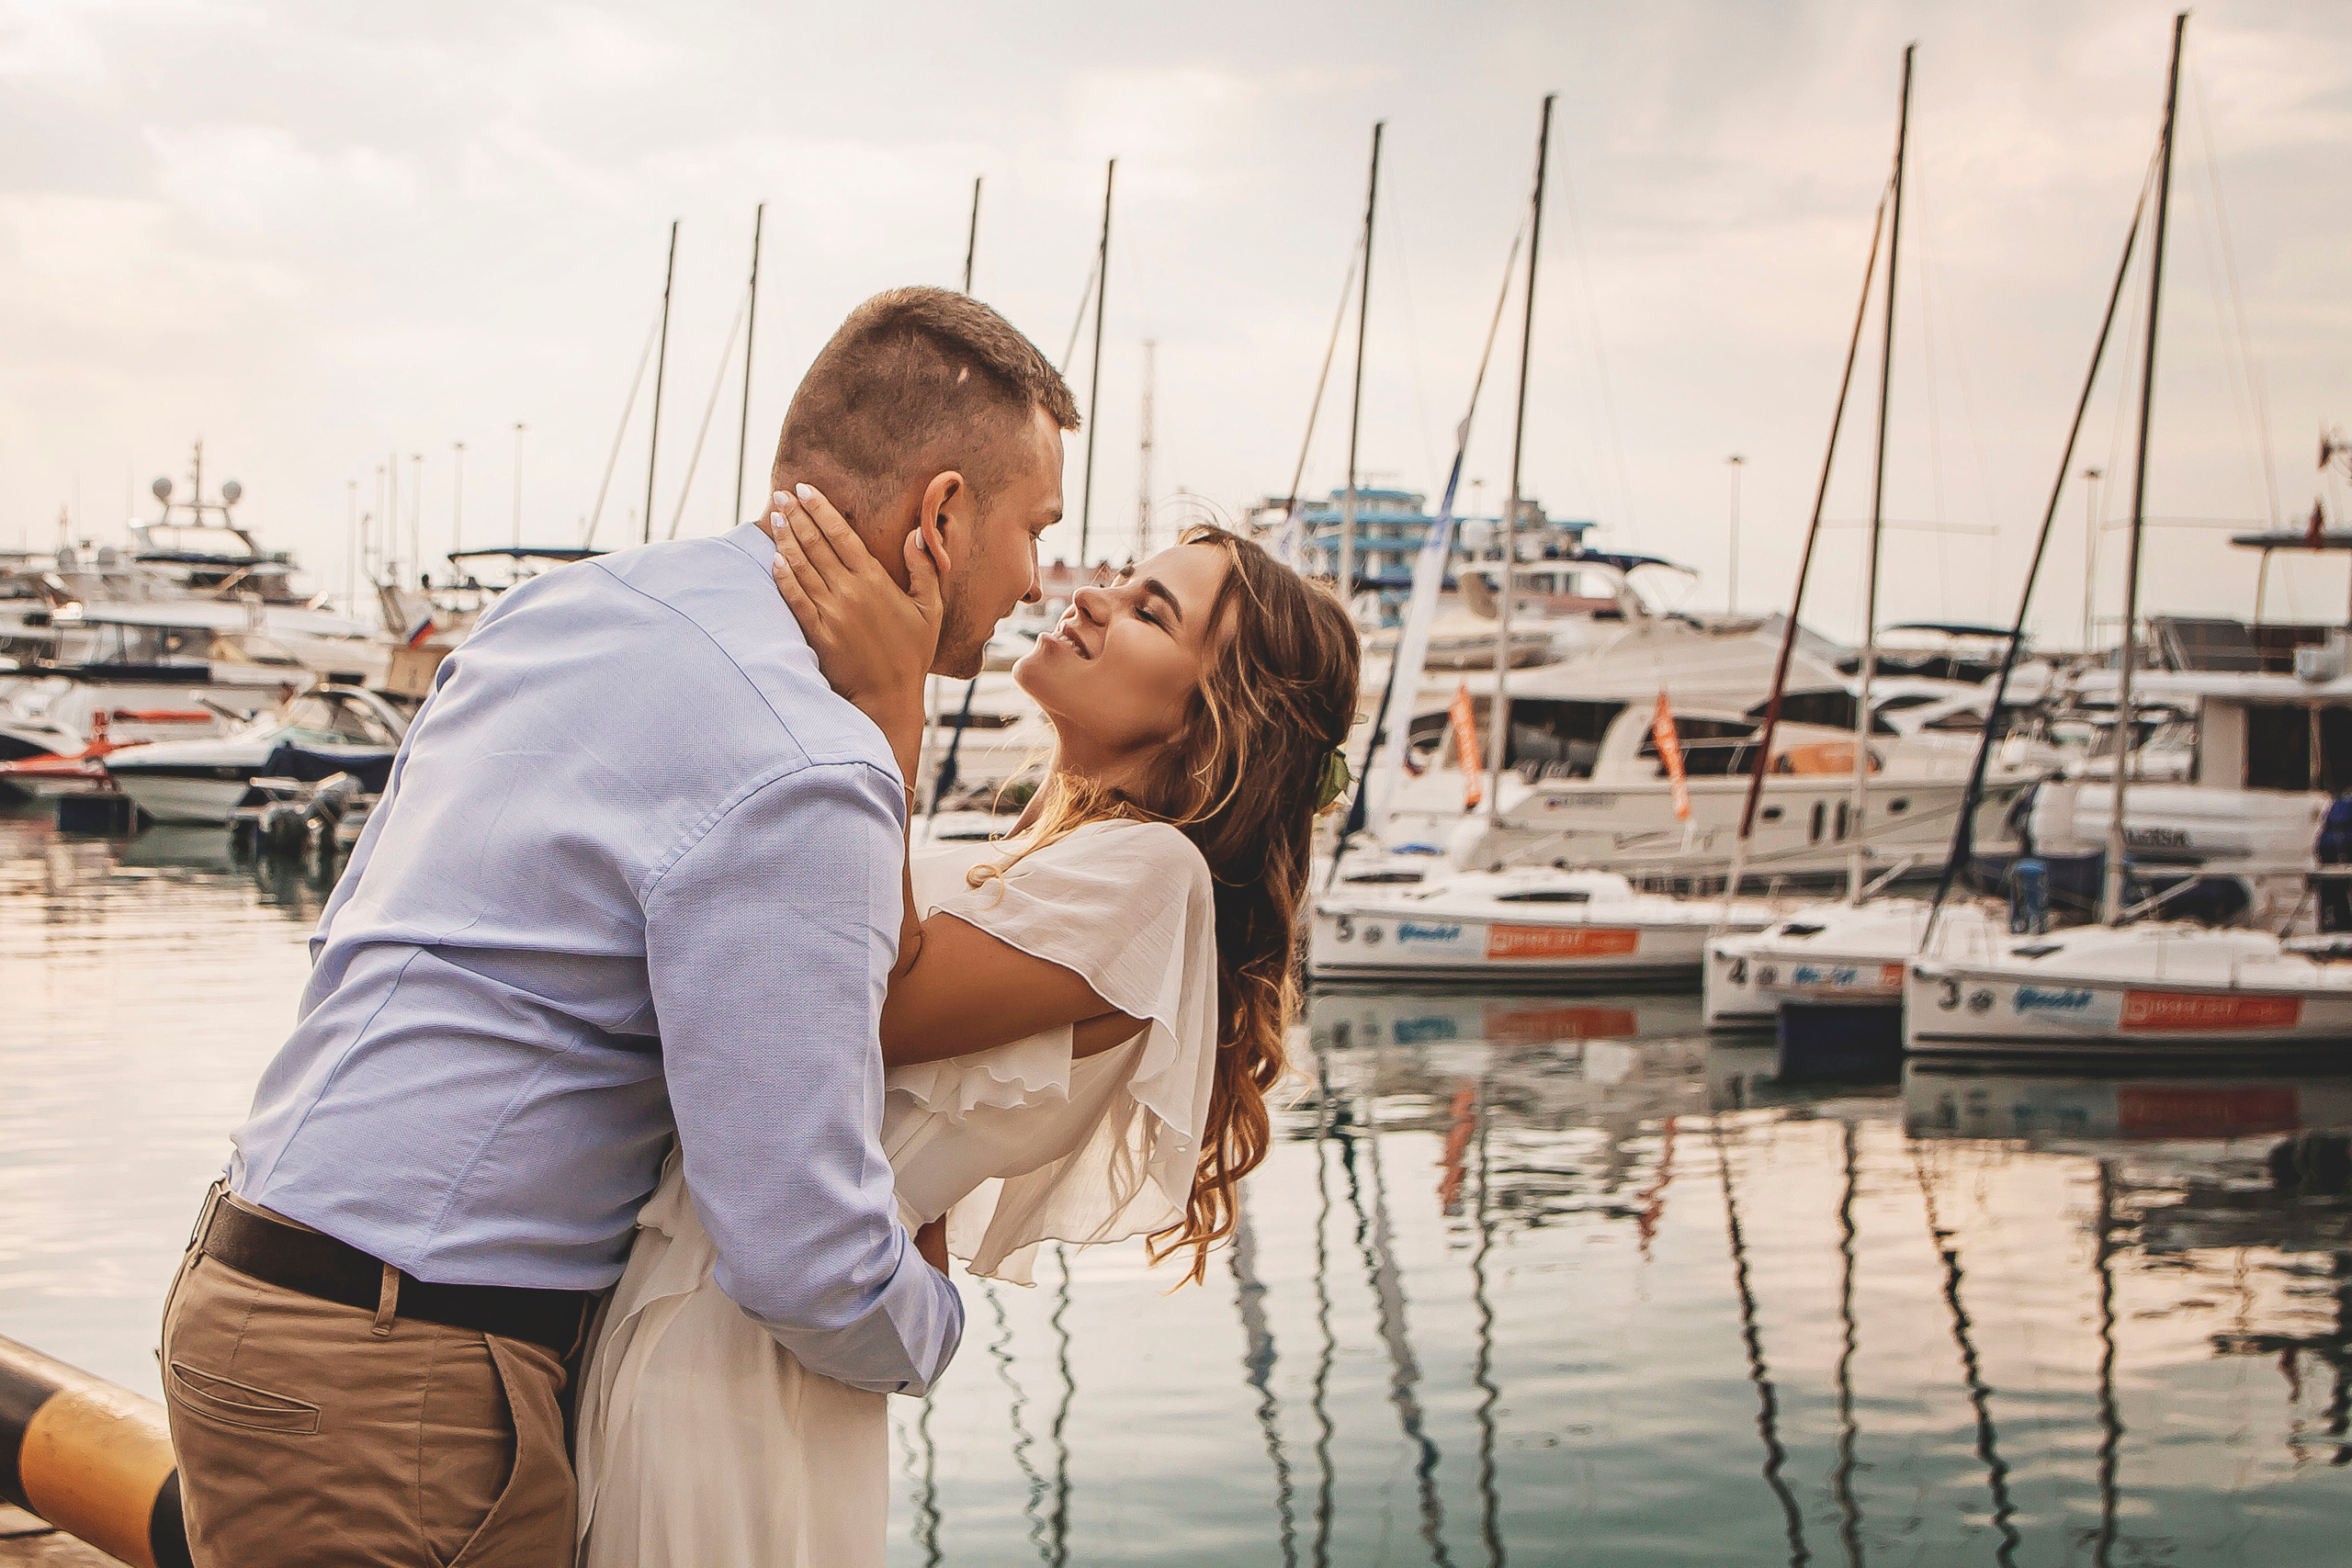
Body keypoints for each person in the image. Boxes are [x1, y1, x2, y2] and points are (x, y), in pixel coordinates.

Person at [156, 286, 1079, 1568]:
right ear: (939, 515)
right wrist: (931, 1317)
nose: (1039, 576)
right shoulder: (807, 760)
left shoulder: (564, 608)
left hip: (251, 1284)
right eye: (1035, 527)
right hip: (398, 1374)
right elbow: (801, 1248)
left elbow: (349, 935)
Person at [572, 486, 1362, 1566]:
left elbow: (854, 1005)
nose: (1089, 598)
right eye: (1125, 581)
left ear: (1208, 720)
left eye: (1149, 613)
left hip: (741, 1358)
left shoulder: (1152, 876)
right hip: (716, 1300)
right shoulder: (1037, 857)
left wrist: (890, 706)